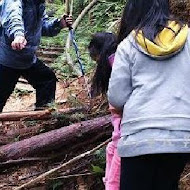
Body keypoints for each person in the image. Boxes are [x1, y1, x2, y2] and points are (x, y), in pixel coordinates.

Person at [108, 0, 190, 189]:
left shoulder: (129, 44)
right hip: (181, 136)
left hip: (139, 137)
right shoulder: (188, 39)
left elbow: (117, 97)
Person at [0, 0, 72, 112]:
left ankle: (43, 118)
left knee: (47, 79)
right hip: (7, 60)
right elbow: (12, 16)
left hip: (28, 59)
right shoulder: (14, 1)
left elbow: (42, 26)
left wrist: (59, 24)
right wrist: (18, 34)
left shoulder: (38, 3)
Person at [88, 32, 121, 190]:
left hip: (125, 137)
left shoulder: (116, 63)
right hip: (119, 136)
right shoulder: (117, 60)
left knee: (114, 181)